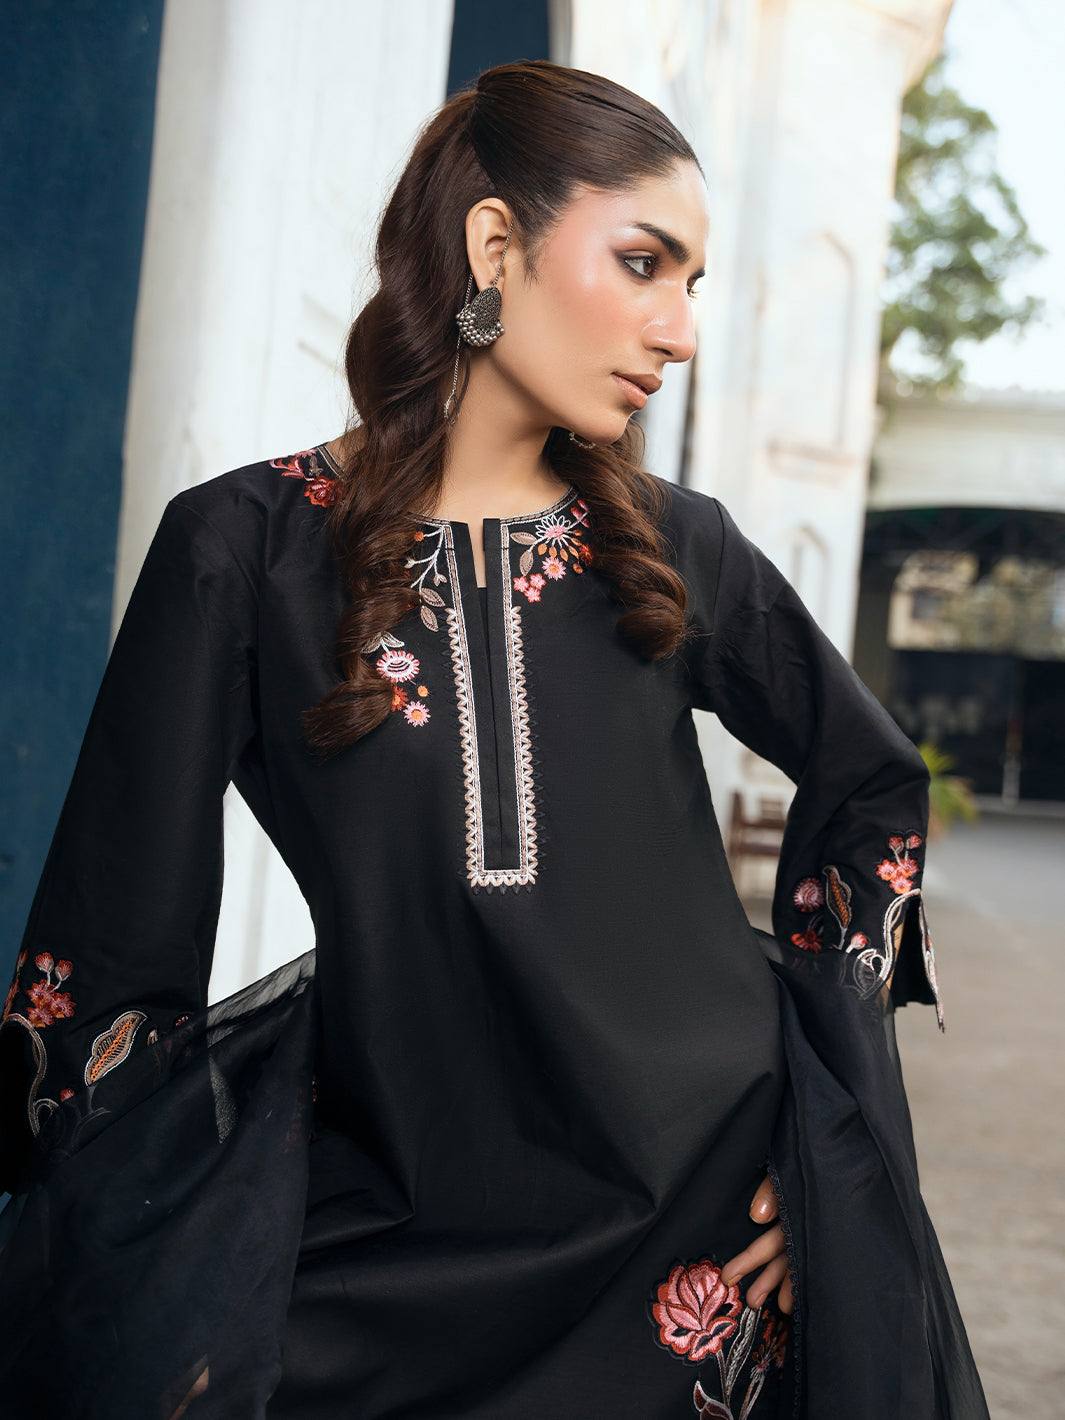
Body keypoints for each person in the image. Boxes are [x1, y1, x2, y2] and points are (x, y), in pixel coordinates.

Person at [0, 61, 987, 1420]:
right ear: (493, 246)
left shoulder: (674, 545)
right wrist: (137, 1262)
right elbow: (111, 949)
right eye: (643, 262)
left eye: (694, 283)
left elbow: (871, 780)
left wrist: (824, 1142)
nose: (679, 330)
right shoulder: (244, 552)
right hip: (391, 1225)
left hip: (697, 1246)